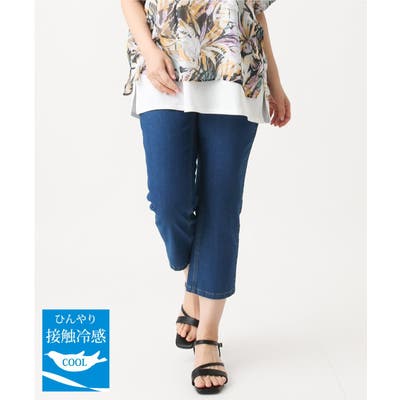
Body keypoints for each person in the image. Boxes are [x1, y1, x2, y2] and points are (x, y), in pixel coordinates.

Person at [121, 0, 291, 394]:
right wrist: (149, 51)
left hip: (236, 71)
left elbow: (253, 10)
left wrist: (276, 82)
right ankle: (194, 283)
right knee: (168, 201)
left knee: (221, 204)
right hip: (164, 66)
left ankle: (208, 335)